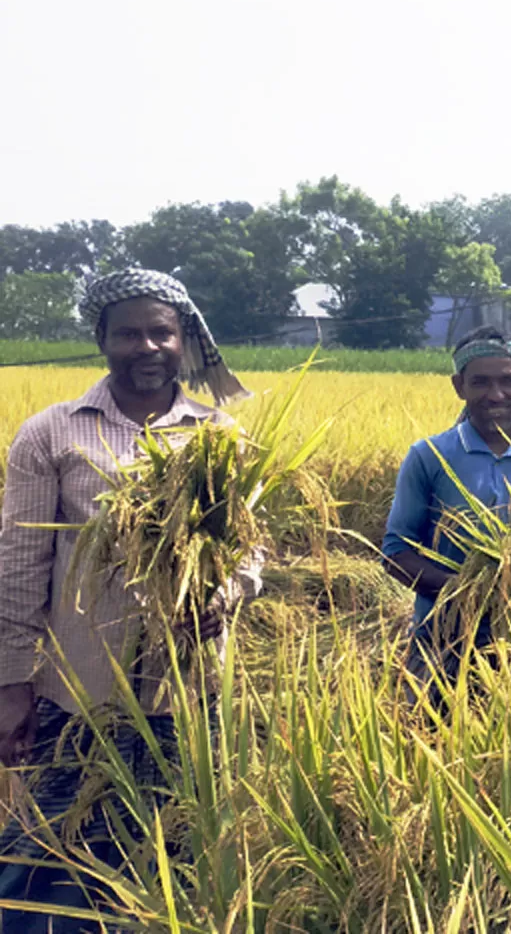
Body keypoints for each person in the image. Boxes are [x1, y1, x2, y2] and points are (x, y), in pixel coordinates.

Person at [0, 268, 260, 930]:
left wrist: (226, 593)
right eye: (128, 334)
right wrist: (11, 684)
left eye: (160, 333)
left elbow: (250, 548)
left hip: (187, 690)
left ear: (184, 342)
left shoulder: (218, 435)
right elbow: (20, 565)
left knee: (174, 850)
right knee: (53, 852)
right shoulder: (54, 433)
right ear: (102, 341)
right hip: (76, 689)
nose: (146, 347)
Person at [382, 327, 511, 701]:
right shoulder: (429, 457)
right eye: (480, 382)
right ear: (458, 386)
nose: (495, 394)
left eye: (508, 381)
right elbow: (396, 553)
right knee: (431, 744)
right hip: (441, 641)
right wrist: (469, 594)